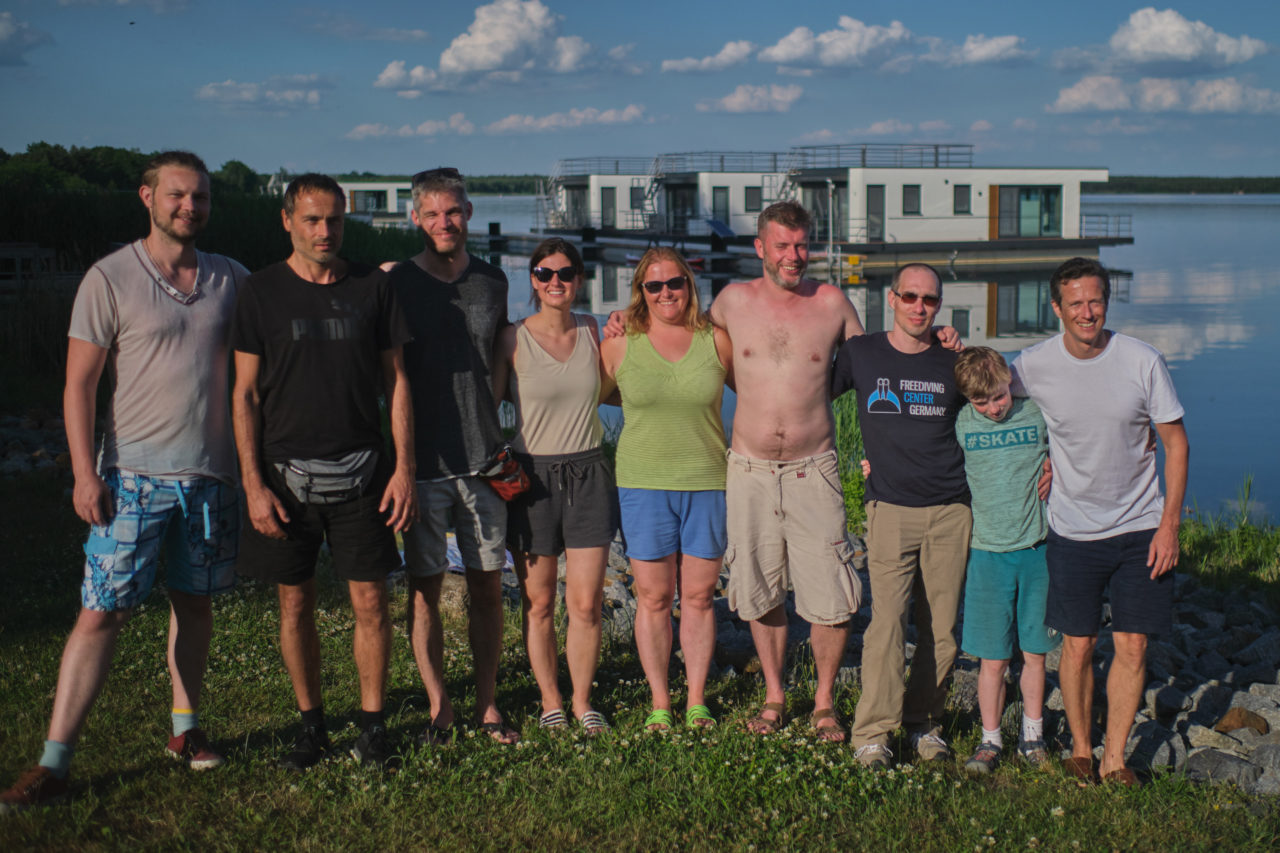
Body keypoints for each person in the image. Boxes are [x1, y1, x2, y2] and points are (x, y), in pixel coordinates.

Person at [1, 152, 247, 813]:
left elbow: (291, 313)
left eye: (200, 197)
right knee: (101, 612)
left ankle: (184, 730)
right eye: (176, 195)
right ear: (147, 196)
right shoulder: (110, 277)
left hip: (211, 478)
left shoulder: (230, 278)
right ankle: (54, 761)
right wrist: (84, 473)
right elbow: (79, 384)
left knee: (195, 606)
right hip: (132, 480)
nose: (188, 207)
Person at [231, 174, 415, 770]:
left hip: (364, 474)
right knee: (295, 605)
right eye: (311, 219)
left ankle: (372, 726)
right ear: (287, 220)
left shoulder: (372, 287)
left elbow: (398, 384)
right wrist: (254, 484)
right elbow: (245, 397)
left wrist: (403, 469)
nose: (324, 231)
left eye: (334, 219)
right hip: (286, 478)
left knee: (371, 603)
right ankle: (311, 727)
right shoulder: (260, 293)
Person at [1011, 257, 1188, 787]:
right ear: (1056, 308)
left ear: (1106, 302)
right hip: (1072, 528)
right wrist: (1038, 455)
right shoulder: (1032, 365)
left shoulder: (1142, 360)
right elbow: (985, 398)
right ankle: (1082, 751)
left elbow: (1175, 442)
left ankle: (1115, 760)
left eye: (1095, 301)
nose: (1087, 313)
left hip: (1140, 527)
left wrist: (1170, 524)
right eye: (1075, 304)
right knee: (1079, 644)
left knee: (1133, 645)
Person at [711, 201, 869, 741]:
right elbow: (690, 350)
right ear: (760, 248)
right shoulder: (731, 301)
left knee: (829, 587)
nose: (793, 256)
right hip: (749, 469)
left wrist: (939, 341)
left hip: (814, 468)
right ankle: (775, 694)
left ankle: (824, 701)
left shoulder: (832, 303)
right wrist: (619, 321)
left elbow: (874, 367)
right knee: (758, 585)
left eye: (802, 245)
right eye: (782, 245)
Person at [388, 167, 519, 744]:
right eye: (433, 213)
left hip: (483, 462)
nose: (445, 223)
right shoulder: (396, 284)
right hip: (421, 466)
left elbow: (504, 353)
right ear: (416, 218)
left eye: (454, 211)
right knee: (426, 589)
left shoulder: (493, 282)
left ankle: (488, 703)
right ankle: (440, 704)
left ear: (468, 212)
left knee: (488, 587)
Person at [831, 263, 971, 767]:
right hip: (889, 508)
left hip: (952, 509)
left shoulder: (953, 358)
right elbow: (805, 395)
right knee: (886, 624)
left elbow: (1004, 398)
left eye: (929, 300)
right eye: (910, 296)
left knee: (941, 629)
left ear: (939, 305)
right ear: (891, 299)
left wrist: (1039, 461)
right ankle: (873, 732)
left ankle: (924, 724)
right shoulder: (861, 352)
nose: (919, 307)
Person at [599, 247, 733, 731]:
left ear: (688, 284)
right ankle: (660, 702)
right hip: (643, 484)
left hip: (708, 483)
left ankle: (696, 699)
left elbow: (759, 393)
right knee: (654, 598)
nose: (665, 293)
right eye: (653, 286)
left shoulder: (717, 341)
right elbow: (580, 401)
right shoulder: (618, 345)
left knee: (698, 597)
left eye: (674, 282)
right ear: (640, 291)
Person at [490, 238, 616, 735]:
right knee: (539, 602)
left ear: (579, 279)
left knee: (584, 603)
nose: (555, 282)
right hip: (532, 477)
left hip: (589, 471)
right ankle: (550, 701)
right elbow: (487, 401)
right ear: (533, 281)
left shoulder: (595, 330)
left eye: (565, 273)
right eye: (544, 274)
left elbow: (626, 382)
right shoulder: (511, 339)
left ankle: (583, 701)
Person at [951, 347, 1058, 775]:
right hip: (987, 555)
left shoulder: (1036, 413)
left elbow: (1078, 442)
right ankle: (990, 739)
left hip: (1037, 550)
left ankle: (1033, 736)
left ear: (1009, 383)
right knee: (992, 659)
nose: (994, 408)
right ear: (967, 400)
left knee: (1035, 653)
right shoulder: (960, 424)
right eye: (983, 402)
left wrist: (1057, 468)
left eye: (999, 397)